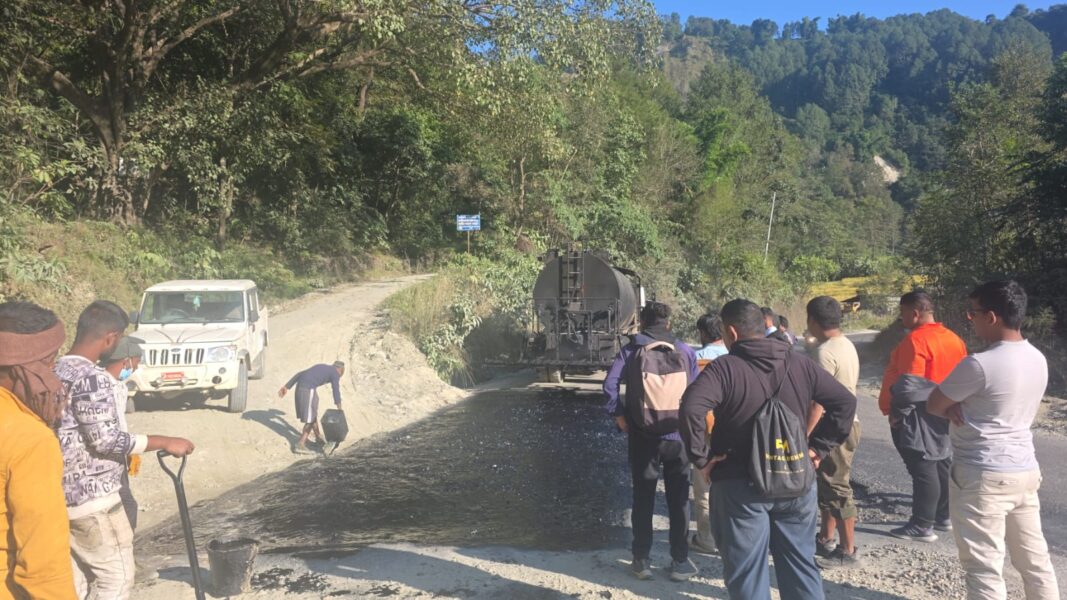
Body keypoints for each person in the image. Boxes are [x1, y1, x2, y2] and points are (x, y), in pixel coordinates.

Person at [680, 299, 855, 600]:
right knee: (800, 565)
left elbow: (691, 409)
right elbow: (845, 403)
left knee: (747, 570)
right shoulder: (800, 363)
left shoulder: (725, 369)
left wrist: (702, 459)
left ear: (731, 332)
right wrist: (818, 450)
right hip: (796, 480)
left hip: (740, 484)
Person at [927, 281, 1060, 600]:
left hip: (982, 474)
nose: (969, 319)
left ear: (991, 317)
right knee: (1035, 563)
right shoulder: (1037, 358)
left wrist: (956, 406)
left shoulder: (979, 364)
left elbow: (934, 403)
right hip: (1025, 470)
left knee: (984, 569)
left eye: (972, 313)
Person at [56, 301, 196, 600]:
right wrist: (163, 441)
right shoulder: (92, 378)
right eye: (119, 339)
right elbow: (106, 440)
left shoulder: (56, 370)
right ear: (110, 338)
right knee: (116, 580)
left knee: (76, 582)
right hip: (93, 501)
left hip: (58, 498)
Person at [603, 302, 700, 581]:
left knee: (643, 496)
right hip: (678, 437)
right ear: (668, 323)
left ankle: (641, 560)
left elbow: (610, 385)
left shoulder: (631, 350)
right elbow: (697, 392)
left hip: (643, 436)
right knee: (679, 499)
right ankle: (679, 561)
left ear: (642, 324)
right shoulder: (685, 351)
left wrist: (619, 415)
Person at [0, 301, 77, 599]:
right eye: (49, 364)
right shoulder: (29, 440)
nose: (54, 377)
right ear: (21, 369)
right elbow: (43, 567)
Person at [879, 291, 967, 541]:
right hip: (944, 410)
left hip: (918, 414)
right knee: (940, 462)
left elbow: (909, 386)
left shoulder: (915, 341)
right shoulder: (953, 339)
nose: (901, 318)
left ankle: (922, 524)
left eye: (903, 313)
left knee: (922, 466)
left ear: (915, 313)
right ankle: (942, 516)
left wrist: (897, 414)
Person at [804, 296, 862, 568]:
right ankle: (826, 538)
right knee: (828, 481)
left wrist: (805, 435)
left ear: (812, 321)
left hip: (834, 426)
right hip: (851, 423)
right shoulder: (846, 344)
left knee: (837, 485)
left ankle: (847, 550)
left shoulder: (823, 352)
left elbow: (818, 401)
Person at [100, 337, 145, 529]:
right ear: (126, 360)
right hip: (109, 455)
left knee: (127, 504)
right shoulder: (102, 385)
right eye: (136, 362)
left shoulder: (120, 386)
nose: (135, 368)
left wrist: (129, 451)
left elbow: (120, 422)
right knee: (127, 506)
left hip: (120, 451)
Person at [690, 313, 726, 555]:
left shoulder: (694, 360)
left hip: (704, 429)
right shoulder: (735, 357)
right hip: (732, 428)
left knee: (704, 485)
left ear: (703, 333)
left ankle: (707, 539)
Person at [279, 361, 345, 454]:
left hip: (301, 388)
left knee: (313, 412)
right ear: (340, 370)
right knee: (310, 419)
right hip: (307, 390)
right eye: (341, 374)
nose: (339, 377)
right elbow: (336, 390)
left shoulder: (324, 367)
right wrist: (339, 408)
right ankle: (300, 444)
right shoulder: (335, 373)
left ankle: (318, 438)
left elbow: (299, 374)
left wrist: (286, 387)